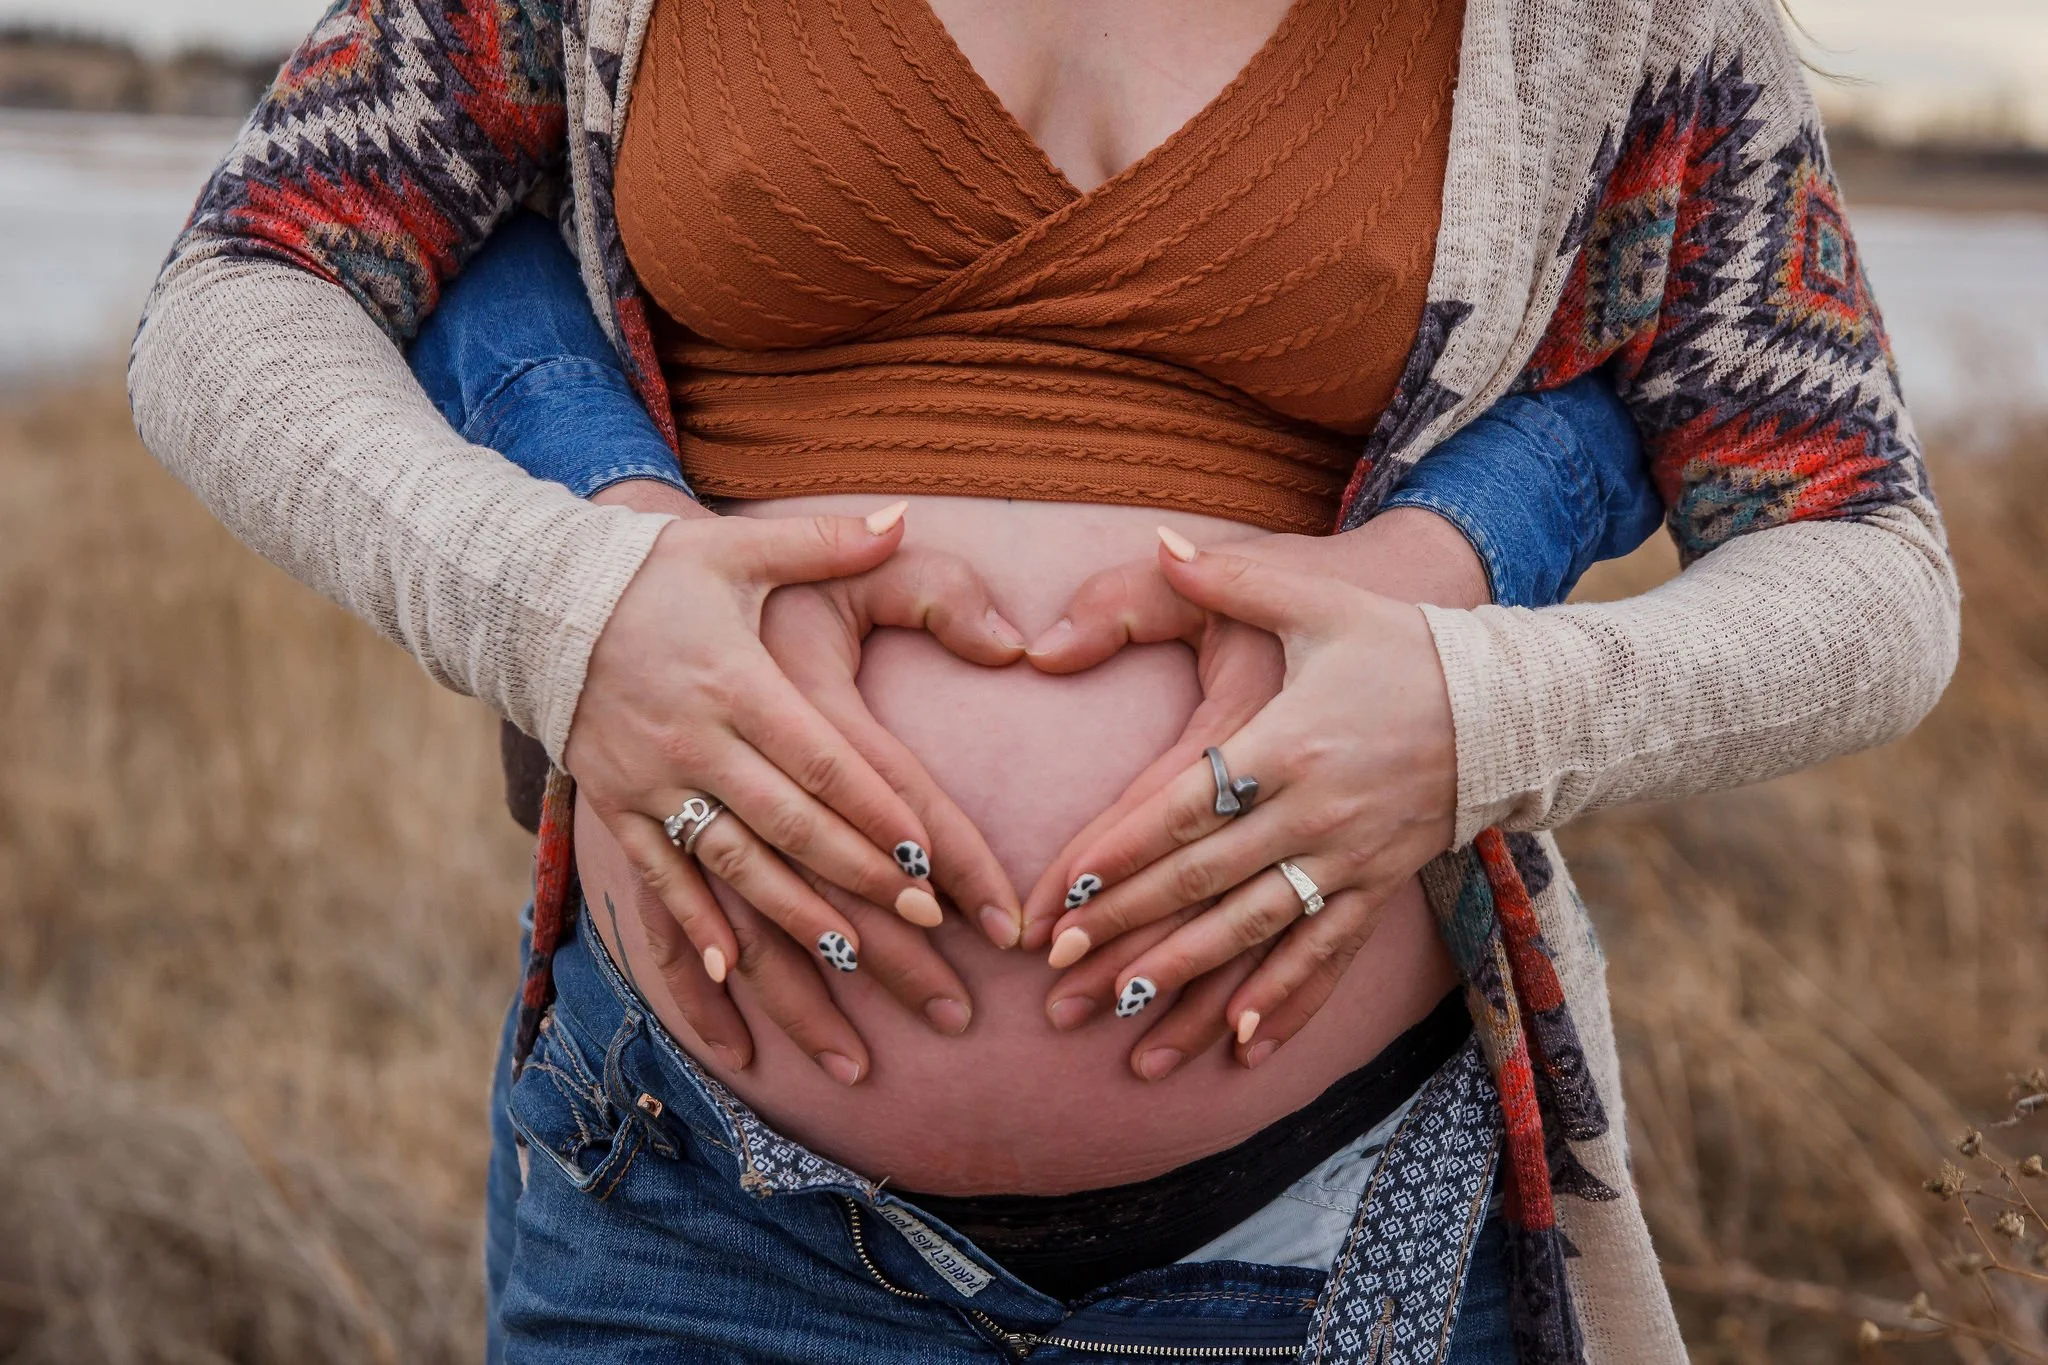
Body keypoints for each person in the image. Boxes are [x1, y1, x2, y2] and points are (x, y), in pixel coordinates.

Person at [128, 0, 1958, 1360]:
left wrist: (1483, 718)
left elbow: (1871, 564)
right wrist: (559, 609)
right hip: (699, 1202)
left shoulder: (1606, 25)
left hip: (1340, 1214)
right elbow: (238, 290)